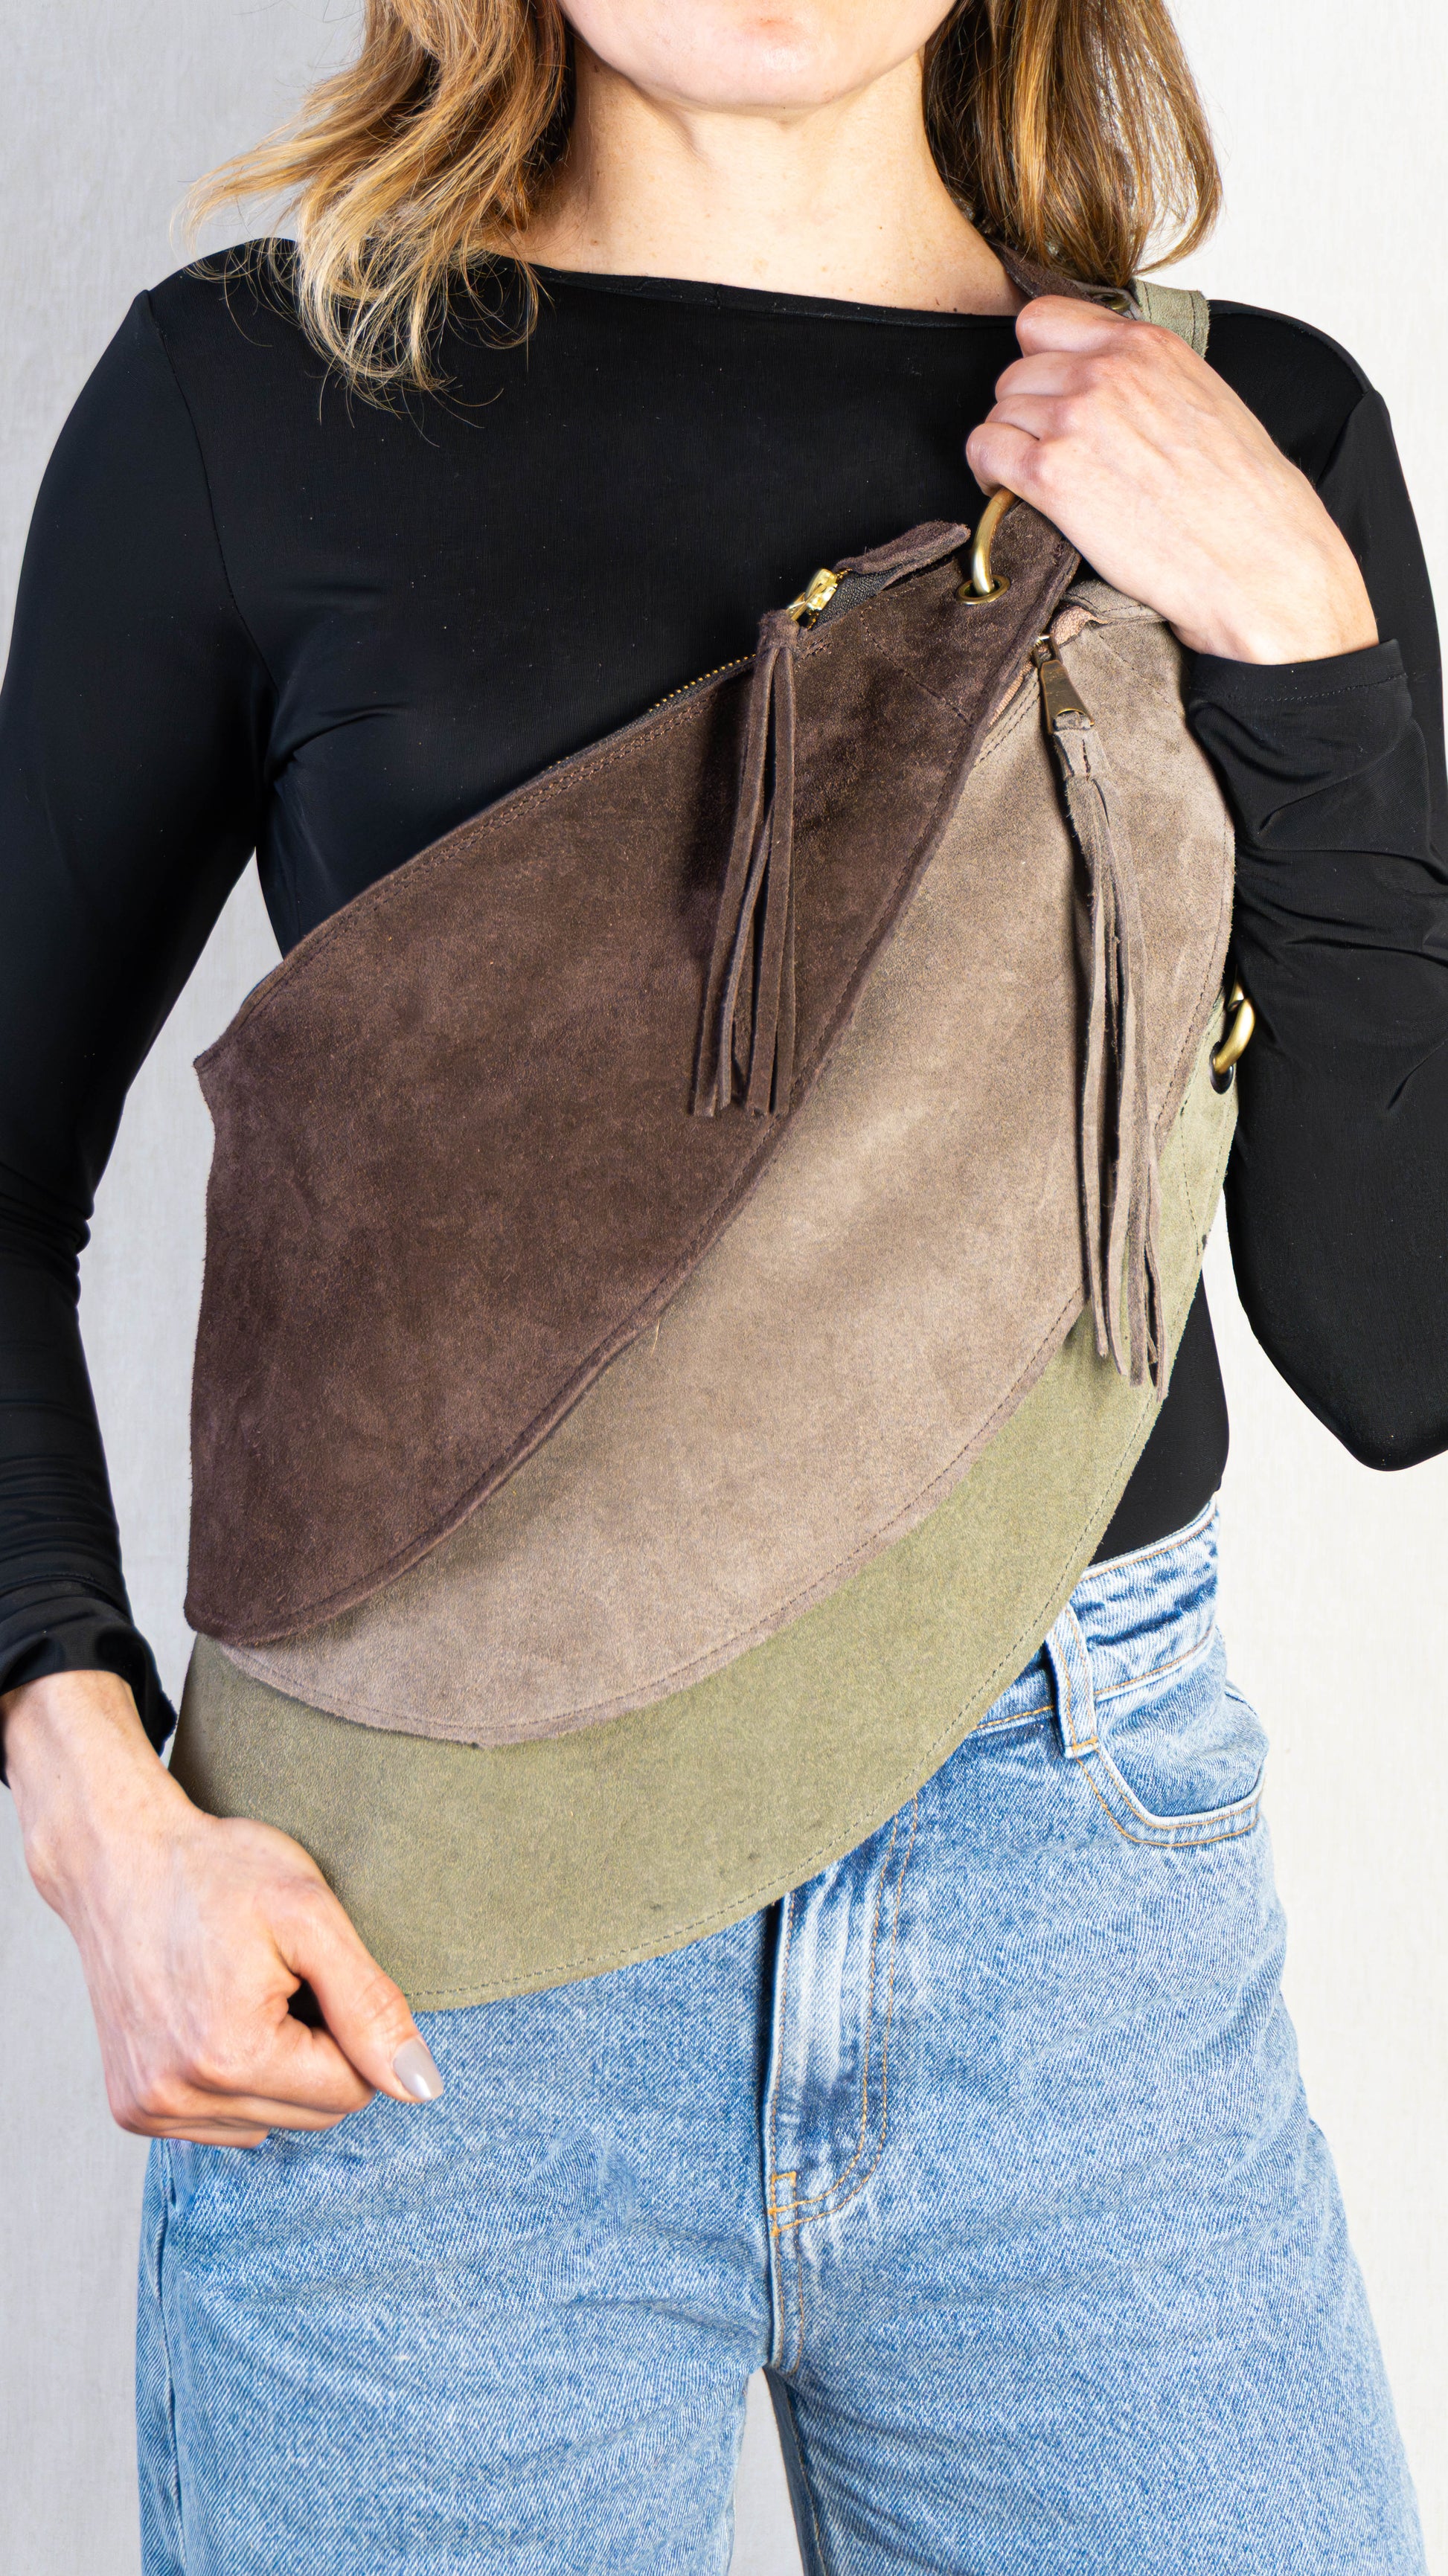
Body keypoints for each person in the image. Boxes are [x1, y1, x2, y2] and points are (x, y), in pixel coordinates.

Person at [0, 1, 1441, 2566]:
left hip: (1072, 1894)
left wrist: (1304, 660)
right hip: (417, 1934)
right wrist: (104, 1824)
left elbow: (1391, 1337)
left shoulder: (1248, 429)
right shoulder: (257, 398)